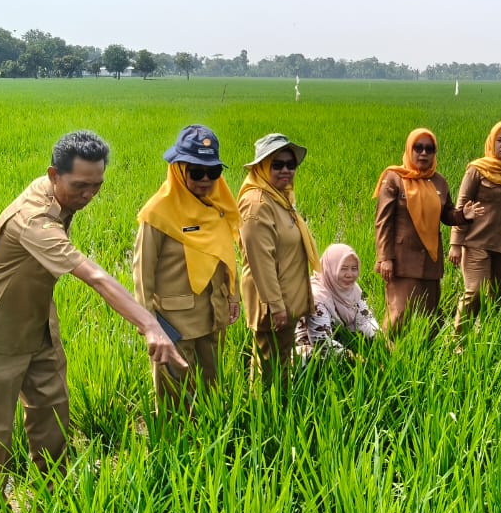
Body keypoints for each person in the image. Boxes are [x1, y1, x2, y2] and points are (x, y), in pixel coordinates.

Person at [0, 130, 185, 505]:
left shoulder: (56, 193)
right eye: (80, 185)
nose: (89, 195)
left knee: (52, 417)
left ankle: (55, 499)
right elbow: (94, 276)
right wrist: (149, 324)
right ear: (54, 175)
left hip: (39, 325)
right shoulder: (34, 220)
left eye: (97, 186)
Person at [133, 124, 241, 416]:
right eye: (196, 171)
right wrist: (149, 326)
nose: (205, 179)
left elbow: (226, 255)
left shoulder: (217, 207)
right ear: (179, 170)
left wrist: (233, 295)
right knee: (174, 397)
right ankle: (173, 441)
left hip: (212, 314)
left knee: (212, 389)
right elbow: (142, 276)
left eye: (213, 172)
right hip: (174, 323)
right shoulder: (157, 213)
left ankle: (211, 437)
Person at [373, 128, 484, 335]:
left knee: (429, 316)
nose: (424, 153)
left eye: (429, 149)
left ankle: (425, 352)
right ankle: (385, 351)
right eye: (418, 148)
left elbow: (447, 214)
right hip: (402, 261)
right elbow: (383, 222)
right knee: (399, 315)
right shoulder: (394, 178)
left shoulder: (439, 181)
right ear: (409, 149)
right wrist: (385, 258)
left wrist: (463, 215)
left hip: (430, 262)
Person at [237, 133, 318, 389]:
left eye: (290, 165)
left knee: (278, 361)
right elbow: (260, 261)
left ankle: (277, 404)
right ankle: (268, 410)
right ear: (262, 167)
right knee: (270, 369)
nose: (286, 170)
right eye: (277, 165)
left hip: (285, 297)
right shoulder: (257, 204)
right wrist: (276, 306)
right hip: (273, 301)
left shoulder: (279, 198)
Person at [449, 121, 501, 331]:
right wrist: (455, 244)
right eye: (499, 140)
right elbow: (461, 206)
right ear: (491, 142)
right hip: (477, 242)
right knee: (475, 292)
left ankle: (491, 337)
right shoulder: (477, 170)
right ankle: (459, 340)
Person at [295, 243, 380, 358]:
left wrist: (384, 341)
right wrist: (356, 360)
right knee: (312, 357)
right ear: (330, 268)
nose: (349, 275)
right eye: (343, 268)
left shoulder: (353, 289)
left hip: (334, 338)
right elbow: (322, 343)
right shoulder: (317, 297)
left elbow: (365, 321)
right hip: (308, 344)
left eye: (354, 269)